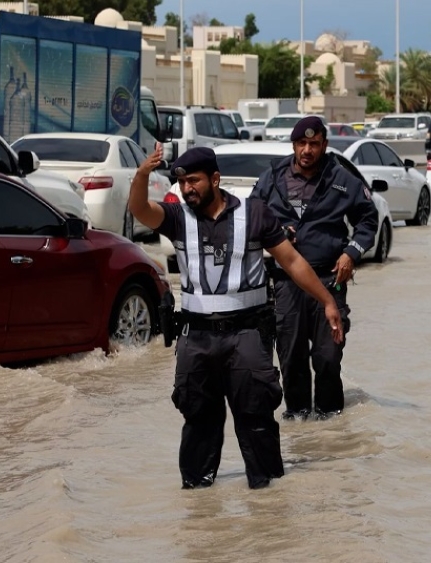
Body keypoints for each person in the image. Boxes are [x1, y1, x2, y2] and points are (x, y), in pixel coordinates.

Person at [127, 143, 343, 490]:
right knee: (198, 422)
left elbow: (292, 261)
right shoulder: (178, 217)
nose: (187, 189)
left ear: (215, 179)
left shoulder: (255, 214)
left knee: (256, 420)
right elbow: (138, 209)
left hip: (247, 337)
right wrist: (142, 174)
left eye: (194, 181)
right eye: (182, 183)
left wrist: (327, 301)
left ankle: (270, 507)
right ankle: (198, 506)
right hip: (196, 340)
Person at [250, 116, 378, 421]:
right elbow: (253, 215)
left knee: (328, 356)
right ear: (294, 145)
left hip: (329, 280)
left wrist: (351, 253)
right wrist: (276, 230)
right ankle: (298, 420)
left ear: (324, 145)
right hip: (286, 281)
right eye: (302, 143)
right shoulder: (273, 176)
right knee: (291, 356)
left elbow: (368, 221)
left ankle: (331, 421)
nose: (307, 150)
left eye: (314, 144)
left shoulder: (342, 177)